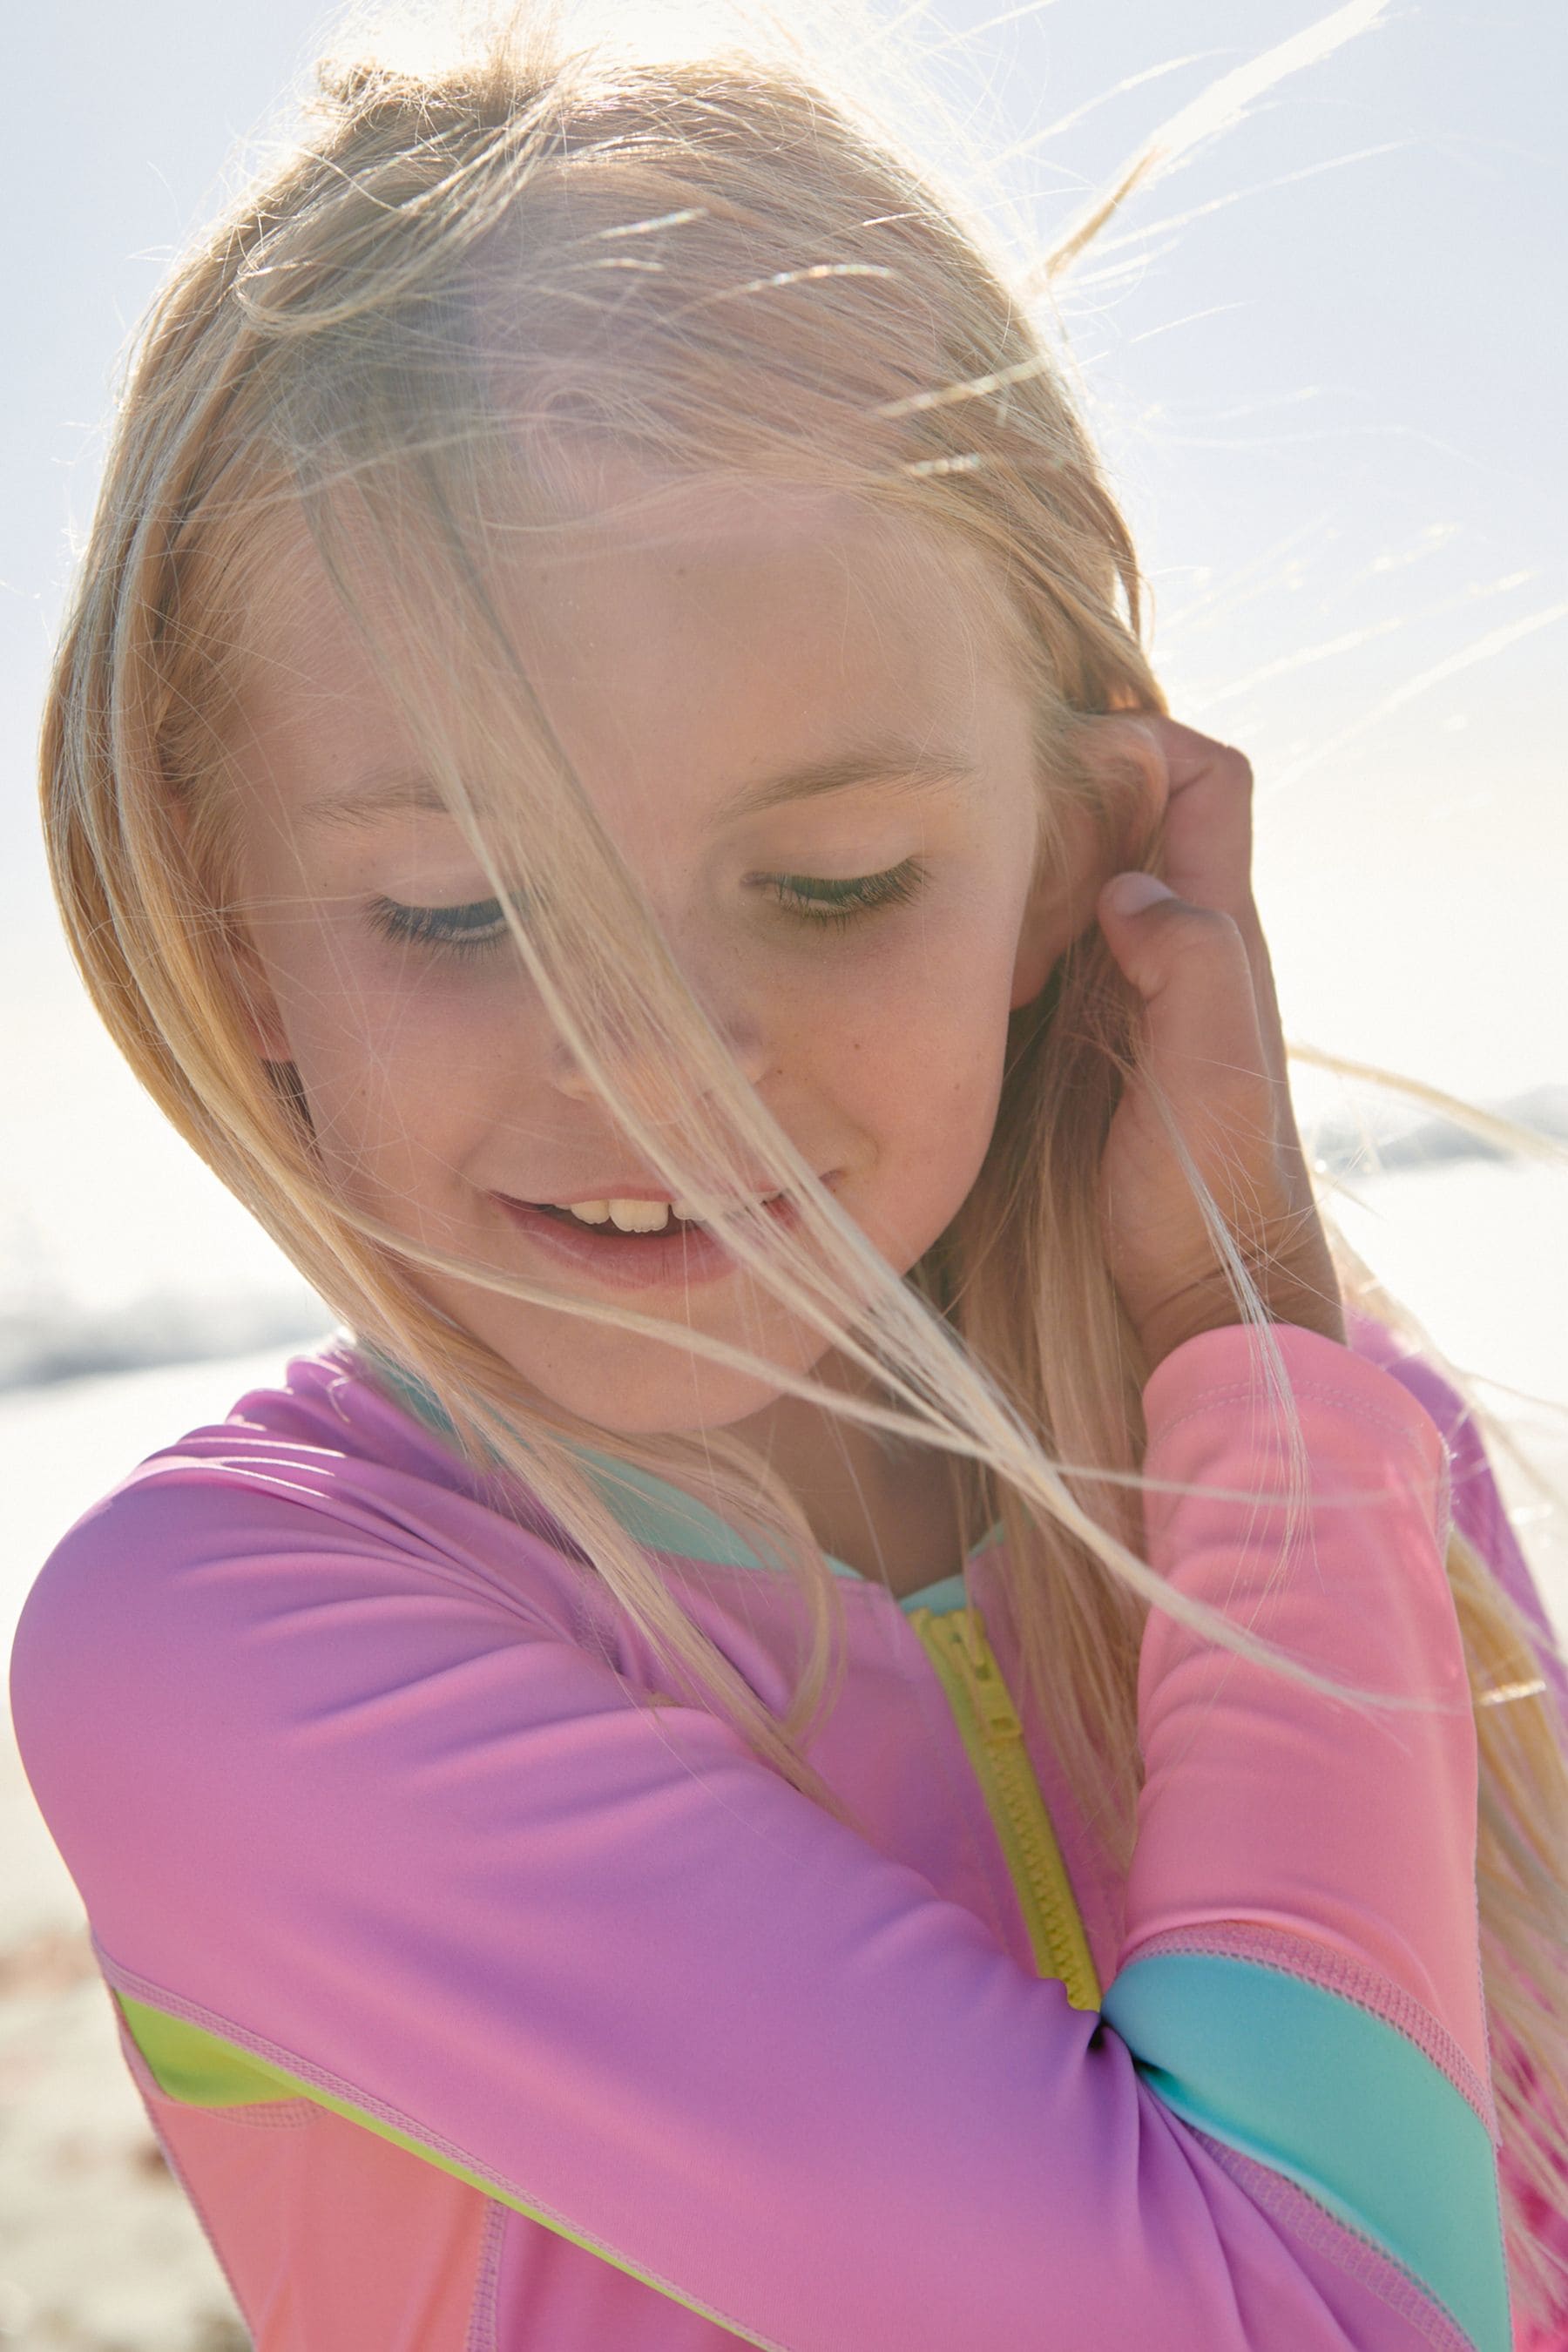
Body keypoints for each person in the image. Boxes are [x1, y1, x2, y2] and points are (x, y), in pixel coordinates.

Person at [10, 11, 1568, 2348]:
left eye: (830, 878)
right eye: (459, 908)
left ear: (1078, 857)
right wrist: (1251, 1369)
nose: (658, 1076)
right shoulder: (220, 1640)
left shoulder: (1346, 1453)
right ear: (228, 931)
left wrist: (1264, 1395)